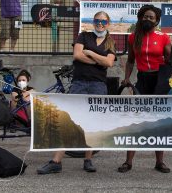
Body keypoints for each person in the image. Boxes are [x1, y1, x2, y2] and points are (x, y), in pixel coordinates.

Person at [37, 11, 116, 174]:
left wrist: (91, 53)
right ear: (93, 22)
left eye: (103, 22)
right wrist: (98, 62)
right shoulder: (83, 36)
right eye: (97, 21)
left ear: (108, 23)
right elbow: (77, 55)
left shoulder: (110, 42)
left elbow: (109, 62)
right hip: (79, 82)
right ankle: (56, 161)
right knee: (69, 120)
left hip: (98, 85)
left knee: (92, 122)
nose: (99, 24)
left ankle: (88, 159)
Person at [118, 4, 172, 173]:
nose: (147, 19)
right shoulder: (134, 37)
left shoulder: (163, 37)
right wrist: (126, 78)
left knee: (159, 120)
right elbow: (130, 60)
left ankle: (159, 162)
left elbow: (170, 60)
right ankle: (128, 162)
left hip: (159, 80)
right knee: (135, 120)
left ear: (156, 21)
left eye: (151, 17)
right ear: (140, 18)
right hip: (142, 79)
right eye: (145, 16)